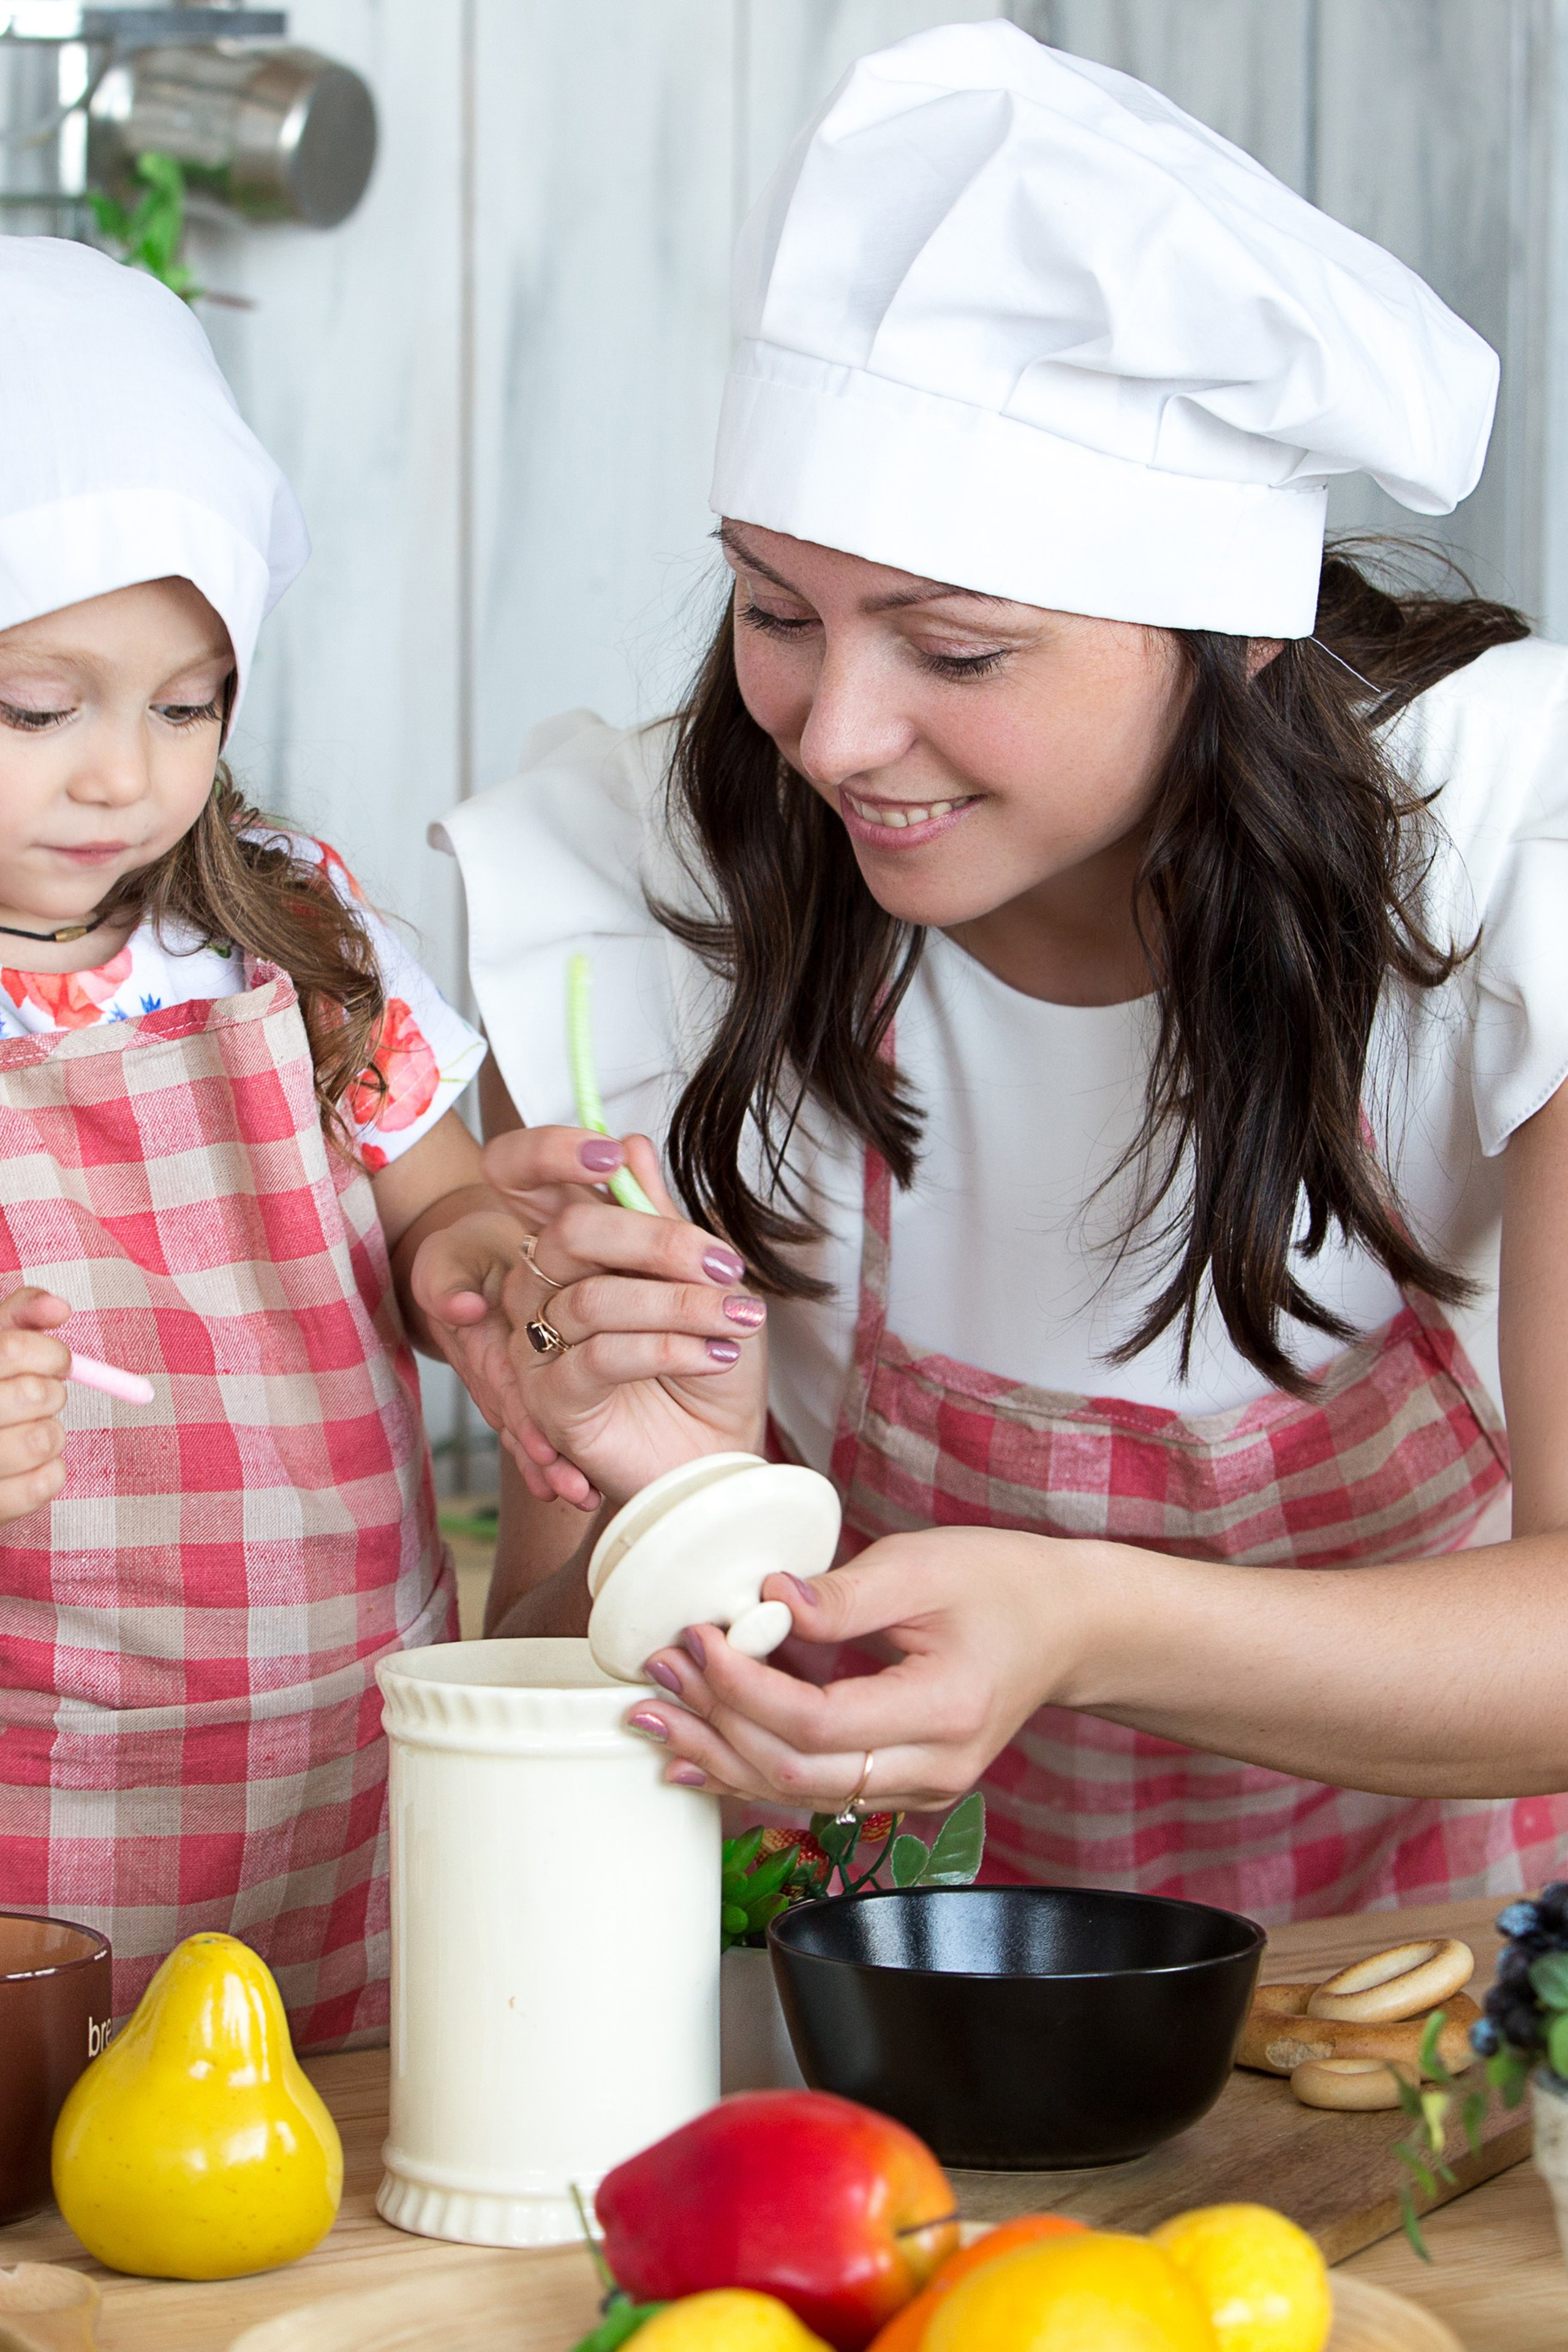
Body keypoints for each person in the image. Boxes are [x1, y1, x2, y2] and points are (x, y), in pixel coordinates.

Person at [443, 23, 1568, 1919]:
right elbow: (565, 1712)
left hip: (1438, 2024)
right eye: (778, 612)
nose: (834, 736)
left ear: (1237, 635)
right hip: (893, 2059)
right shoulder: (635, 913)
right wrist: (664, 1500)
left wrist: (1081, 1621)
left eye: (957, 653)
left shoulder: (1506, 846)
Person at [0, 238, 530, 2041]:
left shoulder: (290, 930)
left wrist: (485, 1274)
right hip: (33, 1772)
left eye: (187, 702)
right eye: (37, 708)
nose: (122, 778)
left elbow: (438, 1210)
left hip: (333, 1733)